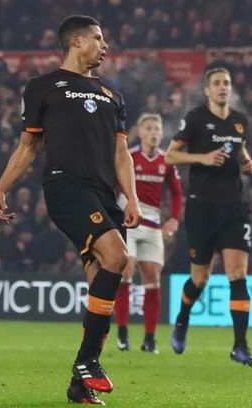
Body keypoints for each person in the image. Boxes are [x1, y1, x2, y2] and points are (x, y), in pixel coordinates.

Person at [0, 15, 141, 405]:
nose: (105, 46)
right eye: (98, 38)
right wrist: (1, 188)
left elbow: (121, 153)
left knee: (101, 286)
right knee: (118, 256)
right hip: (65, 186)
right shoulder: (42, 87)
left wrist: (132, 197)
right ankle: (89, 361)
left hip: (104, 195)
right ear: (76, 41)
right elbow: (27, 147)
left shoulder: (113, 95)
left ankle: (79, 384)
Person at [165, 67, 252, 366]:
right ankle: (182, 319)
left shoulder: (240, 122)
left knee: (237, 274)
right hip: (201, 206)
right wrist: (201, 158)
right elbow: (170, 155)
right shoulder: (195, 119)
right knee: (200, 278)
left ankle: (240, 346)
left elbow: (239, 151)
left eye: (226, 83)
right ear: (207, 90)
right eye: (217, 83)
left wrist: (247, 162)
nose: (222, 87)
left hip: (233, 206)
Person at [113, 113, 183, 354]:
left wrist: (174, 218)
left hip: (153, 221)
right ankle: (122, 332)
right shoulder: (129, 156)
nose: (154, 133)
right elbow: (113, 184)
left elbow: (176, 194)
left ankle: (149, 339)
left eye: (157, 129)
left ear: (161, 134)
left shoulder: (167, 161)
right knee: (127, 268)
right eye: (149, 128)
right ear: (141, 133)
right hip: (128, 217)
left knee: (152, 276)